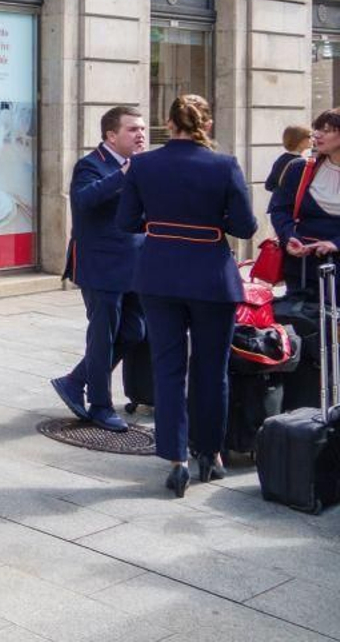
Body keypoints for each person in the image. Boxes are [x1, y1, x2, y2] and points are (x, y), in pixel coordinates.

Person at [116, 94, 257, 496]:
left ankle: (176, 458)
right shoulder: (224, 165)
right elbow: (245, 227)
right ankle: (210, 454)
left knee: (168, 368)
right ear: (206, 125)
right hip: (211, 278)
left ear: (167, 123)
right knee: (212, 369)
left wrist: (162, 224)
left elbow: (126, 220)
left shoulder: (144, 165)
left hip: (159, 277)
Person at [50, 105, 147, 433]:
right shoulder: (91, 165)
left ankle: (75, 381)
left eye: (142, 129)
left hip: (135, 265)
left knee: (135, 331)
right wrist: (123, 176)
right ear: (111, 135)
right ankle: (100, 405)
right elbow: (83, 200)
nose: (141, 135)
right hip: (100, 265)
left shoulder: (140, 166)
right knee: (103, 336)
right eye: (133, 129)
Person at [267, 109, 340, 411]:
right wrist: (288, 237)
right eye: (316, 128)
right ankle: (300, 410)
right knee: (303, 337)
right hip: (302, 268)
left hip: (337, 269)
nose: (318, 134)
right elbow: (280, 209)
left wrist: (334, 244)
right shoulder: (301, 168)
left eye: (327, 129)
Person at [264, 124, 312, 193]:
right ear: (300, 140)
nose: (312, 139)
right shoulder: (300, 163)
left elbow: (269, 185)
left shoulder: (281, 159)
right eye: (309, 136)